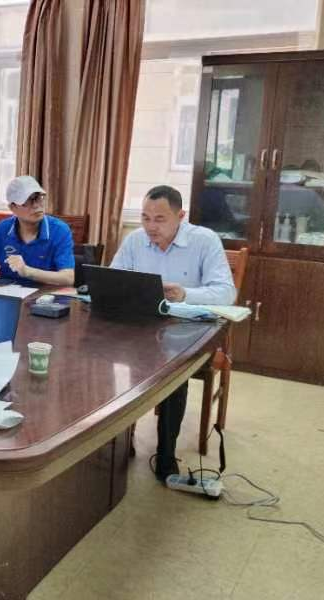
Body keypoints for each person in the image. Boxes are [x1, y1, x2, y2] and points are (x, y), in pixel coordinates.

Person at [110, 185, 236, 481]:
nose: (150, 227)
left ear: (181, 216)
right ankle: (121, 441)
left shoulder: (204, 240)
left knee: (172, 371)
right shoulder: (135, 240)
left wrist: (185, 294)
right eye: (145, 218)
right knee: (111, 359)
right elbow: (114, 279)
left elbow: (226, 293)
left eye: (159, 219)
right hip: (142, 328)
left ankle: (166, 454)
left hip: (188, 332)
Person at [0, 176, 75, 286]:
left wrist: (27, 271)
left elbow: (68, 278)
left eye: (39, 198)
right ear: (12, 208)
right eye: (27, 201)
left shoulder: (59, 230)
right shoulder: (3, 229)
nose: (36, 205)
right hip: (8, 293)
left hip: (46, 295)